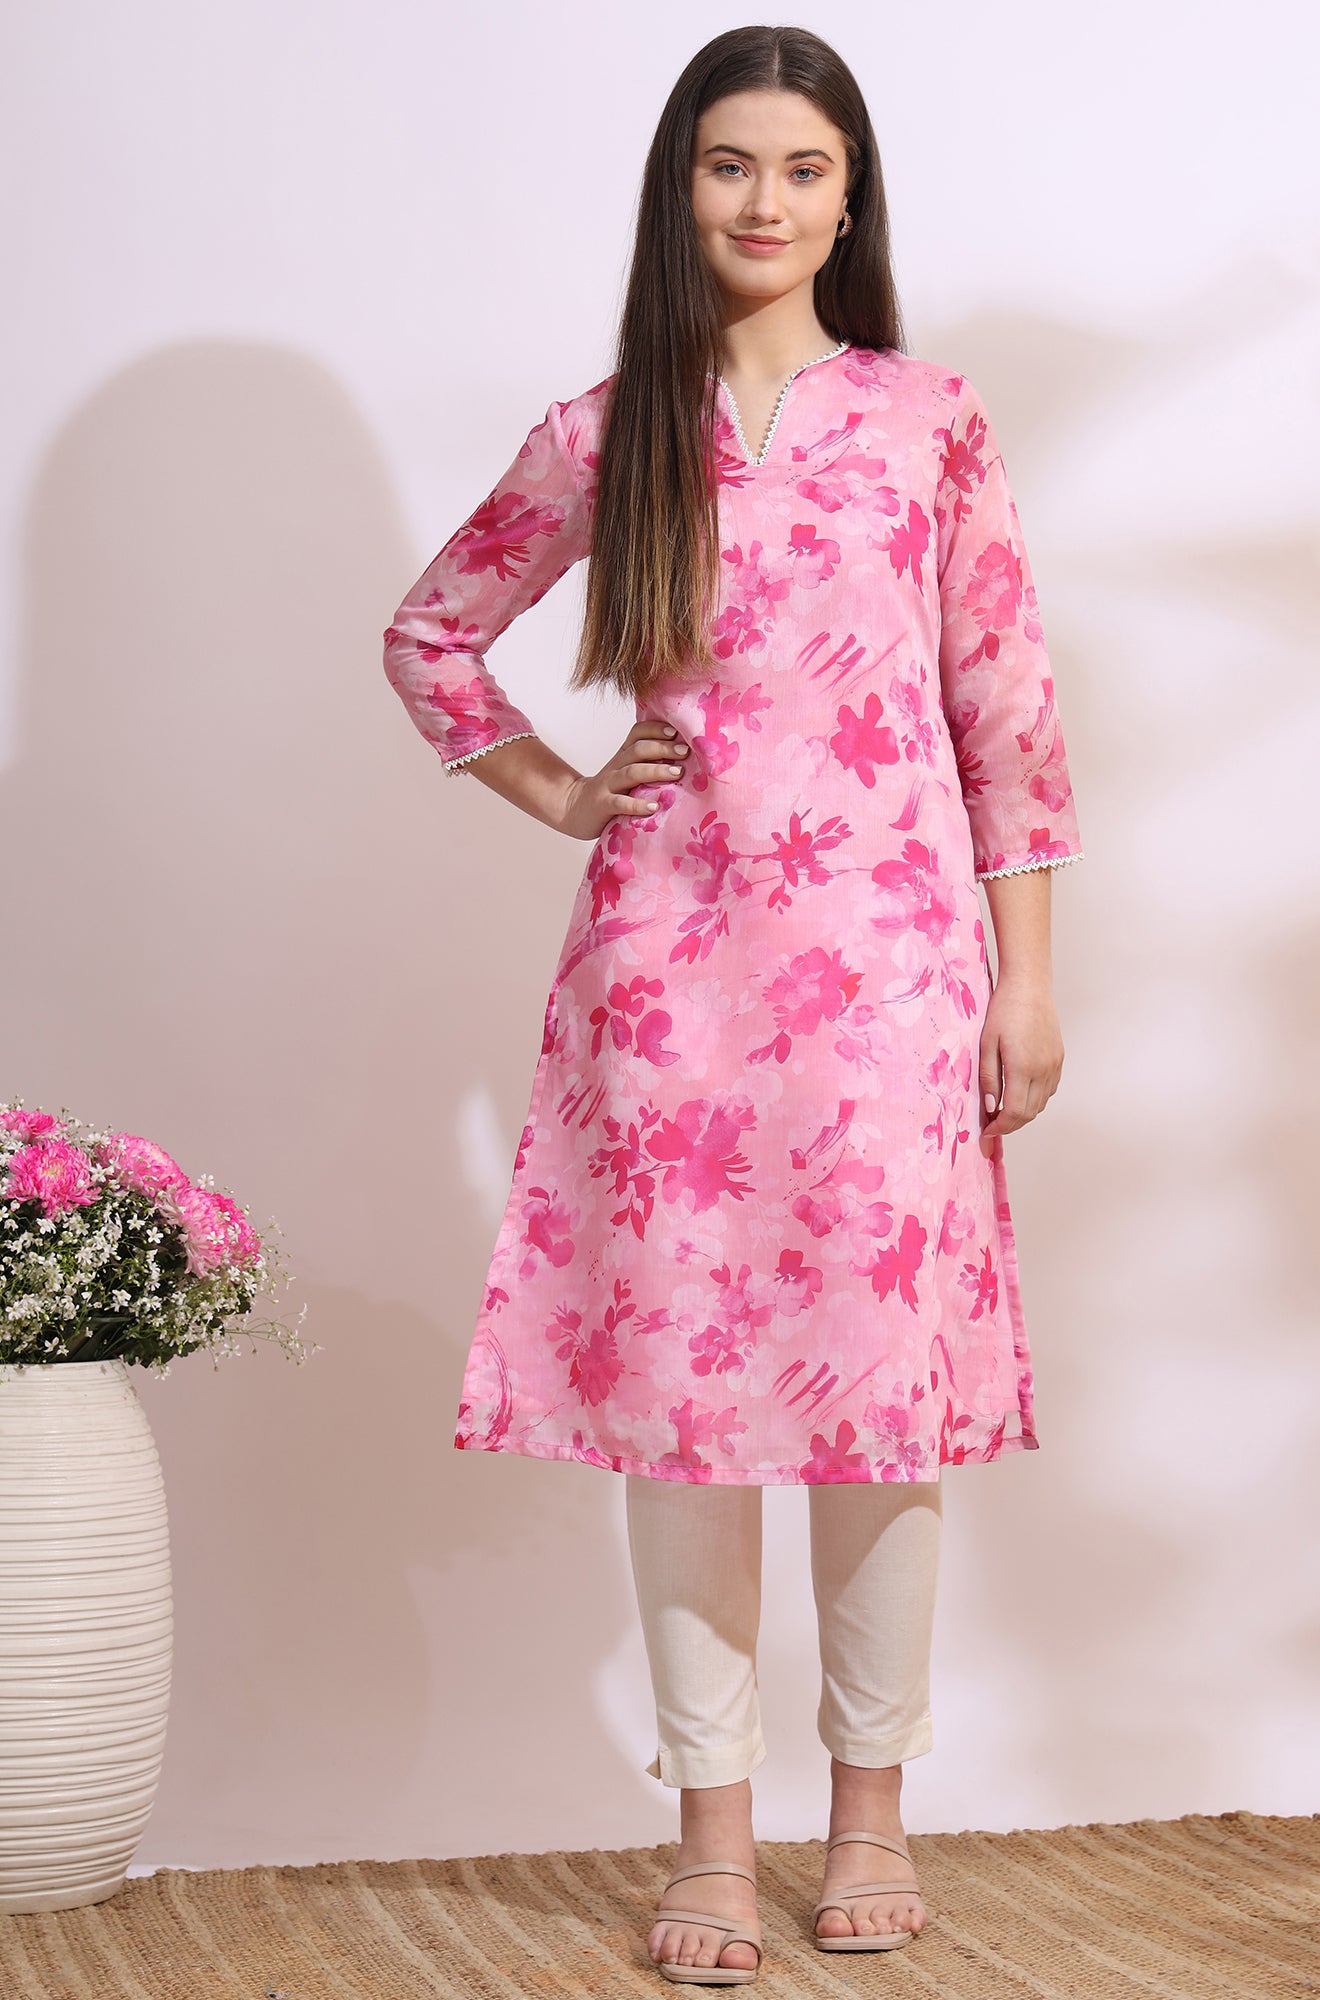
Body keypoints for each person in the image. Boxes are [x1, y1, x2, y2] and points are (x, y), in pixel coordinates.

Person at [382, 23, 1083, 1986]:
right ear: (678, 190)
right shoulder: (608, 431)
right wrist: (561, 793)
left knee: (878, 1398)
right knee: (686, 1415)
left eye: (801, 168)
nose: (763, 201)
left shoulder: (929, 421)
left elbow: (1007, 716)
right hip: (670, 984)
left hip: (894, 978)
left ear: (851, 201)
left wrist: (1028, 977)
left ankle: (870, 1816)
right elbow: (432, 633)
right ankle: (708, 1830)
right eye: (728, 165)